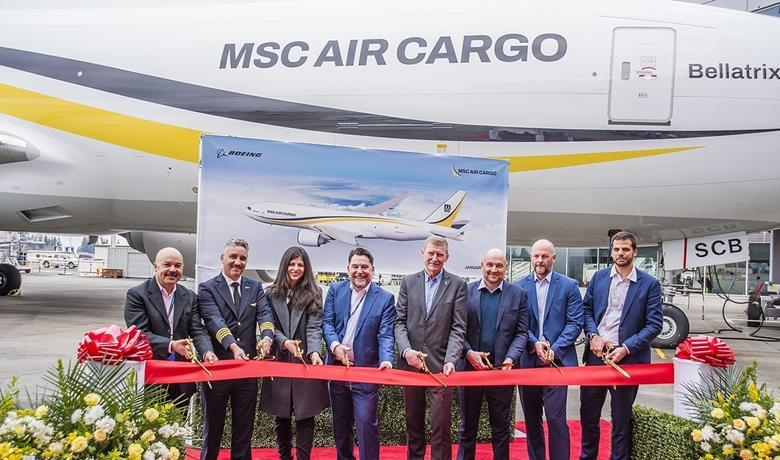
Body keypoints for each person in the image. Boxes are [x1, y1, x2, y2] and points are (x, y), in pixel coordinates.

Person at [579, 231, 662, 460]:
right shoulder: (599, 278)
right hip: (597, 356)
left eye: (625, 249)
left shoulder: (649, 284)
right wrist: (593, 335)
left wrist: (626, 347)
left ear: (634, 252)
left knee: (621, 419)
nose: (620, 253)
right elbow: (586, 310)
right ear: (611, 251)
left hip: (627, 359)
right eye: (616, 249)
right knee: (588, 416)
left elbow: (654, 324)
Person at [197, 238, 276, 460]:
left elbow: (265, 315)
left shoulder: (255, 287)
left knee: (244, 429)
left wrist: (267, 338)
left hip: (246, 370)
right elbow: (214, 321)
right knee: (213, 428)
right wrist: (233, 346)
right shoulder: (207, 288)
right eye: (233, 257)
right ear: (222, 258)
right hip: (218, 368)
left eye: (243, 258)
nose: (237, 262)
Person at [395, 235, 467, 460]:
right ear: (422, 254)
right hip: (411, 366)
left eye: (440, 254)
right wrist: (406, 351)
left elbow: (458, 328)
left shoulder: (457, 285)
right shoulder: (408, 282)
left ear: (447, 257)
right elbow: (399, 322)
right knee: (413, 425)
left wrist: (451, 359)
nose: (435, 258)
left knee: (441, 428)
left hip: (441, 368)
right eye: (431, 253)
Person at [322, 247, 396, 460]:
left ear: (373, 269)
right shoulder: (335, 290)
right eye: (355, 266)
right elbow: (327, 324)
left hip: (366, 374)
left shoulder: (385, 298)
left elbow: (386, 335)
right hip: (338, 371)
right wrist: (335, 346)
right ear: (348, 269)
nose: (359, 271)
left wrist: (386, 360)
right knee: (341, 427)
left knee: (366, 425)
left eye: (364, 267)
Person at [457, 248, 528, 460]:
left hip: (501, 372)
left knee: (501, 429)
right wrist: (468, 352)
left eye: (499, 265)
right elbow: (457, 329)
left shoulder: (518, 295)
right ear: (482, 265)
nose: (494, 270)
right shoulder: (465, 292)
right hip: (470, 370)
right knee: (467, 428)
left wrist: (510, 358)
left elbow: (521, 333)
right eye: (490, 265)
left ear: (506, 267)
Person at [515, 239, 583, 460]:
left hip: (556, 363)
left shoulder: (569, 286)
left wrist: (556, 348)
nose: (540, 260)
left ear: (554, 258)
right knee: (531, 421)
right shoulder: (519, 286)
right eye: (536, 256)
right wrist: (534, 343)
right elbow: (518, 324)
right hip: (528, 361)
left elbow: (575, 323)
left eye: (545, 256)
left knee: (556, 419)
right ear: (531, 258)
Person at [124, 247, 216, 409]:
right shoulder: (137, 295)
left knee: (179, 421)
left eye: (178, 266)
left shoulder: (190, 297)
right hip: (151, 373)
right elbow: (139, 334)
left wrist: (207, 352)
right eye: (167, 264)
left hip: (181, 375)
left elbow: (197, 330)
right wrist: (171, 345)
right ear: (155, 266)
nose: (173, 270)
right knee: (151, 422)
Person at [259, 246, 329, 460]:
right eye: (292, 264)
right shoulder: (270, 293)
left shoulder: (315, 292)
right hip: (280, 359)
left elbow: (314, 327)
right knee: (281, 415)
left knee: (305, 414)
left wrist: (315, 352)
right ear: (284, 266)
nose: (296, 268)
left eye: (300, 264)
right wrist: (284, 342)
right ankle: (284, 456)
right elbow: (268, 324)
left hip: (304, 360)